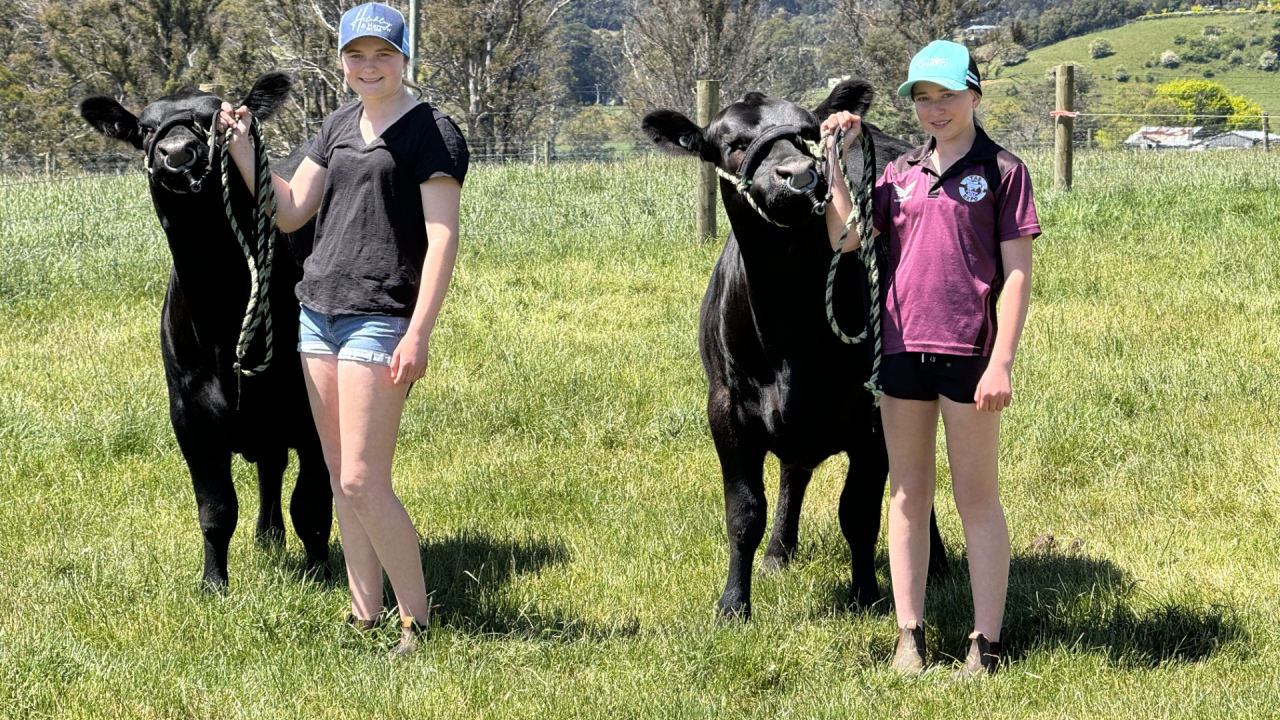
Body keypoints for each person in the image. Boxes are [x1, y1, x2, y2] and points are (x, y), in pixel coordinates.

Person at [217, 1, 469, 658]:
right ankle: (365, 615)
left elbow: (442, 239)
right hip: (317, 315)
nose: (369, 67)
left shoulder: (431, 132)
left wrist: (419, 333)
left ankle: (418, 622)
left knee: (362, 480)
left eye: (382, 55)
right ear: (342, 62)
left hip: (380, 319)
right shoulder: (336, 125)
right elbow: (293, 211)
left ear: (403, 58)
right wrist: (245, 147)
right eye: (356, 56)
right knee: (336, 476)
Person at [821, 40, 1040, 678]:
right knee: (907, 495)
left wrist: (1002, 360)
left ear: (974, 93)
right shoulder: (898, 174)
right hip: (901, 350)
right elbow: (846, 237)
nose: (935, 108)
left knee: (977, 499)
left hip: (971, 353)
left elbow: (1018, 275)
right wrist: (837, 161)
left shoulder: (1004, 171)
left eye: (946, 95)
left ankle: (985, 643)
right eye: (922, 98)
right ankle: (909, 636)